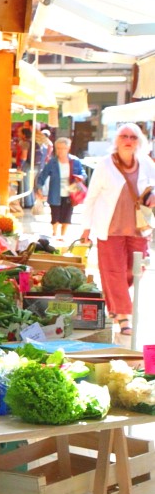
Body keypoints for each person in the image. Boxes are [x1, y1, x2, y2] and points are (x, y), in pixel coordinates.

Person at [79, 123, 155, 340]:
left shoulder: (146, 163)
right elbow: (91, 196)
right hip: (109, 229)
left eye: (133, 136)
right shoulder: (105, 165)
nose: (128, 140)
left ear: (139, 141)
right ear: (116, 140)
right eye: (124, 136)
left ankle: (115, 303)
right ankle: (123, 318)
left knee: (133, 271)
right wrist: (86, 227)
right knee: (114, 273)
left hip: (138, 228)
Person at [35, 137, 86, 238]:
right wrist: (39, 187)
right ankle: (54, 233)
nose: (60, 151)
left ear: (68, 148)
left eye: (63, 148)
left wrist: (80, 177)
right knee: (55, 215)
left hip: (70, 193)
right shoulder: (52, 162)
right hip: (55, 193)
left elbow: (83, 173)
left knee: (67, 216)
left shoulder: (75, 161)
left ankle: (62, 236)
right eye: (58, 148)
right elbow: (43, 175)